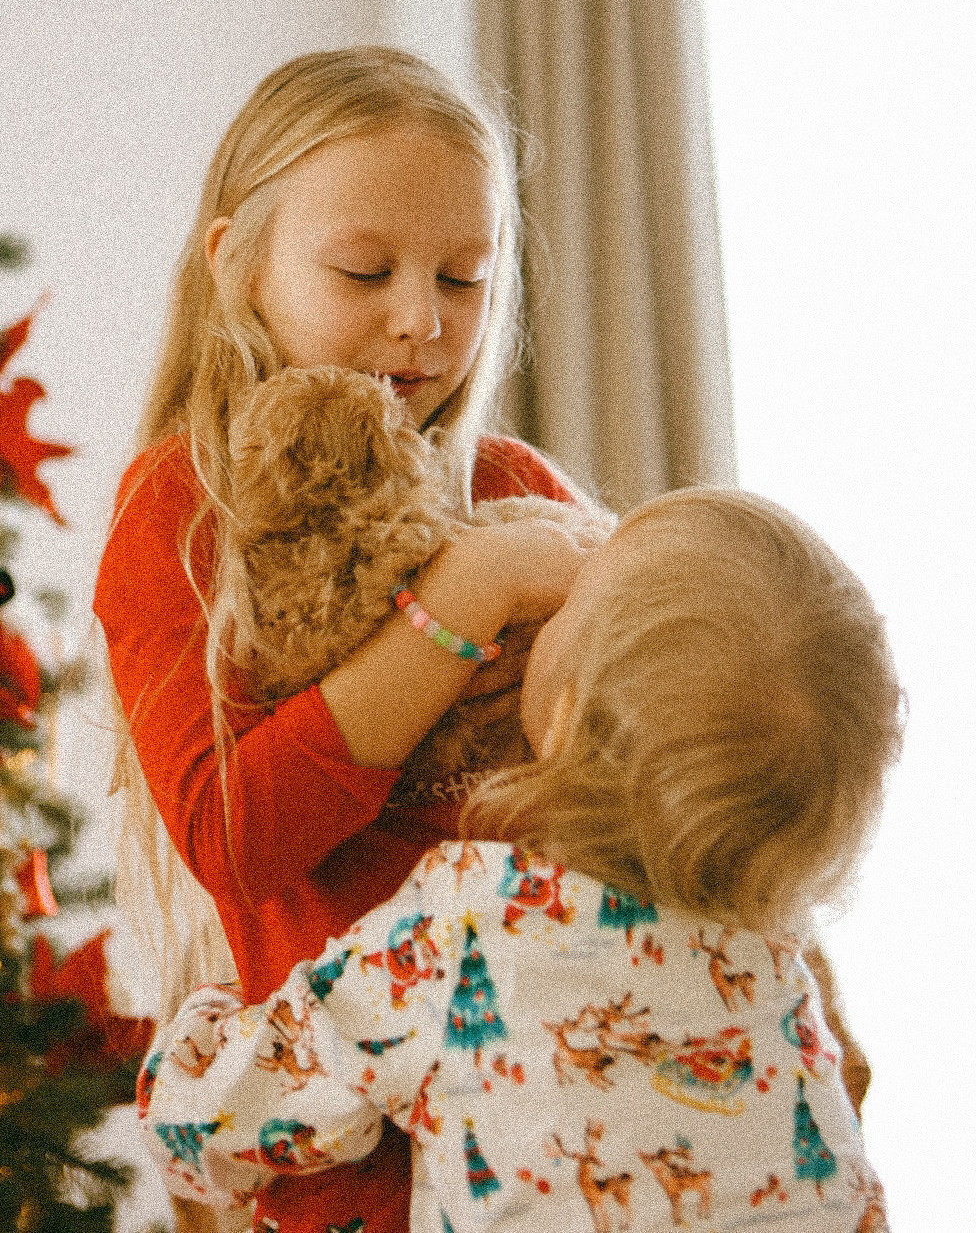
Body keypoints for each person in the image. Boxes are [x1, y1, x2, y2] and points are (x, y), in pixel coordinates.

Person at [94, 47, 591, 1233]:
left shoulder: (515, 491)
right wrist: (467, 599)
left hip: (579, 1134)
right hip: (364, 1185)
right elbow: (237, 833)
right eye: (365, 270)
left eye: (465, 279)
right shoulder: (181, 509)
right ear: (237, 265)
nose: (421, 319)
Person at [138, 487, 904, 1232]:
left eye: (572, 599)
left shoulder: (470, 916)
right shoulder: (783, 980)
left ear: (566, 716)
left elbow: (228, 1115)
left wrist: (197, 1032)